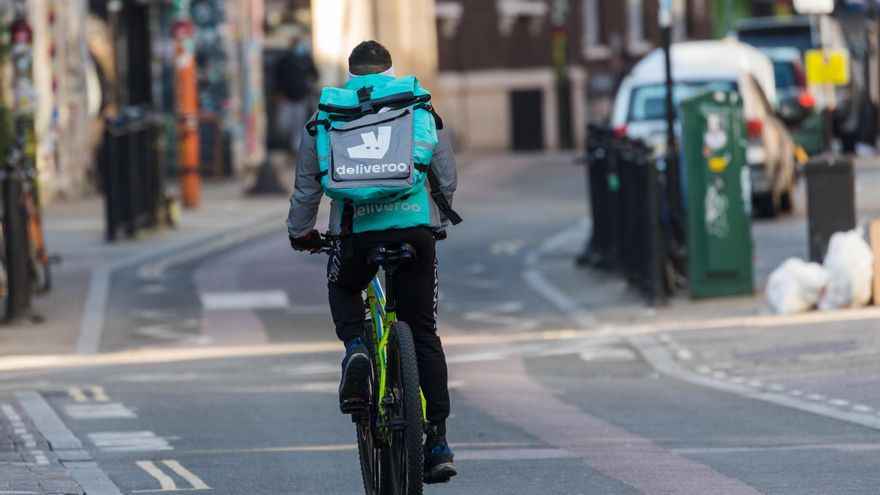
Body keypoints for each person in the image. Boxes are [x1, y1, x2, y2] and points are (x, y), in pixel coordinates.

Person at [286, 40, 459, 484]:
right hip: (415, 229)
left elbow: (308, 188)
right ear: (388, 69)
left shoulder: (326, 115)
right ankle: (436, 441)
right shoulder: (413, 103)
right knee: (422, 331)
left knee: (343, 287)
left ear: (351, 73)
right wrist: (435, 216)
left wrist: (301, 233)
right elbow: (444, 172)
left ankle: (357, 349)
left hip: (357, 235)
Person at [274, 37, 318, 152]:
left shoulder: (306, 60)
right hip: (287, 99)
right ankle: (286, 145)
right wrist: (278, 95)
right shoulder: (284, 61)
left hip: (301, 99)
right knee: (284, 125)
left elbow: (315, 75)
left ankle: (295, 150)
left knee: (298, 127)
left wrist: (308, 87)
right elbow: (278, 79)